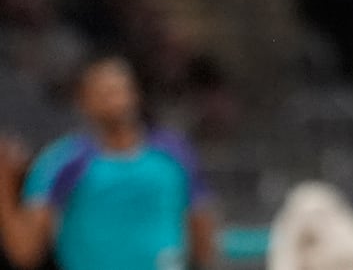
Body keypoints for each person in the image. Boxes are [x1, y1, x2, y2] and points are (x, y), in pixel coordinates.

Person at [0, 56, 217, 270]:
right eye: (103, 94)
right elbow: (25, 251)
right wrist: (4, 181)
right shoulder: (62, 162)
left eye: (119, 90)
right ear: (82, 101)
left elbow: (202, 226)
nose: (115, 101)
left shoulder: (174, 153)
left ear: (135, 94)